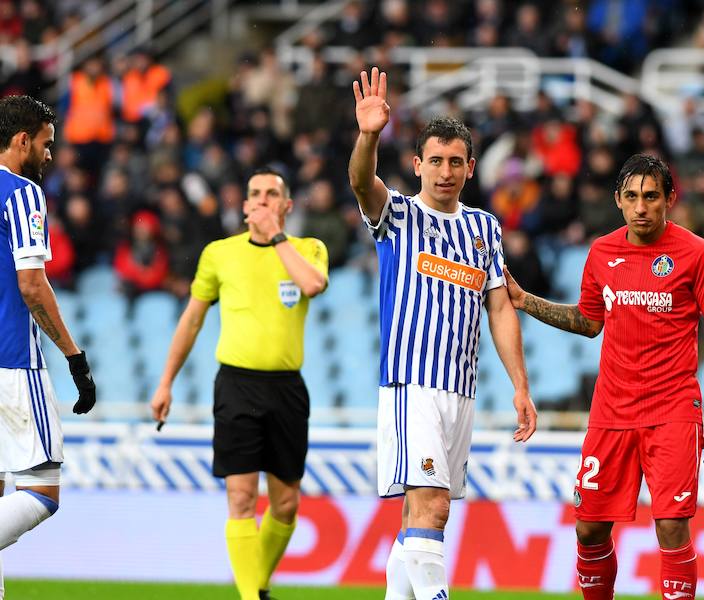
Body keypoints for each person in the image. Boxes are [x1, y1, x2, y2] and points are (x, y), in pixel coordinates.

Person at [505, 154, 704, 600]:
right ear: (617, 200)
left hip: (672, 408)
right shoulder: (602, 253)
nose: (641, 207)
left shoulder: (697, 255)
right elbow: (589, 321)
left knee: (671, 524)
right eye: (631, 197)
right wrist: (524, 300)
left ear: (670, 199)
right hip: (611, 411)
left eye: (651, 196)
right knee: (590, 528)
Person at [348, 67, 537, 600]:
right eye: (435, 161)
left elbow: (499, 307)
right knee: (430, 504)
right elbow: (362, 184)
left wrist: (520, 385)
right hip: (413, 384)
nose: (445, 171)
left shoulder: (484, 228)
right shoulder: (400, 215)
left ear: (471, 168)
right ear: (417, 165)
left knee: (425, 514)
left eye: (456, 162)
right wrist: (368, 136)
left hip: (461, 389)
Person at [149, 167, 328, 600]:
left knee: (286, 506)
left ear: (286, 206)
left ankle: (257, 584)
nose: (263, 200)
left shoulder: (308, 248)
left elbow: (313, 284)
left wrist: (277, 237)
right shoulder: (220, 254)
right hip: (236, 385)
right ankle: (252, 597)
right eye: (255, 194)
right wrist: (166, 381)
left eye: (272, 194)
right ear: (245, 205)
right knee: (242, 499)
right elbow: (192, 320)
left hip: (287, 388)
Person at [0, 95, 96, 598]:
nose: (50, 156)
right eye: (46, 144)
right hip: (12, 360)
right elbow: (32, 285)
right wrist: (75, 359)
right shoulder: (21, 194)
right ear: (22, 141)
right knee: (41, 493)